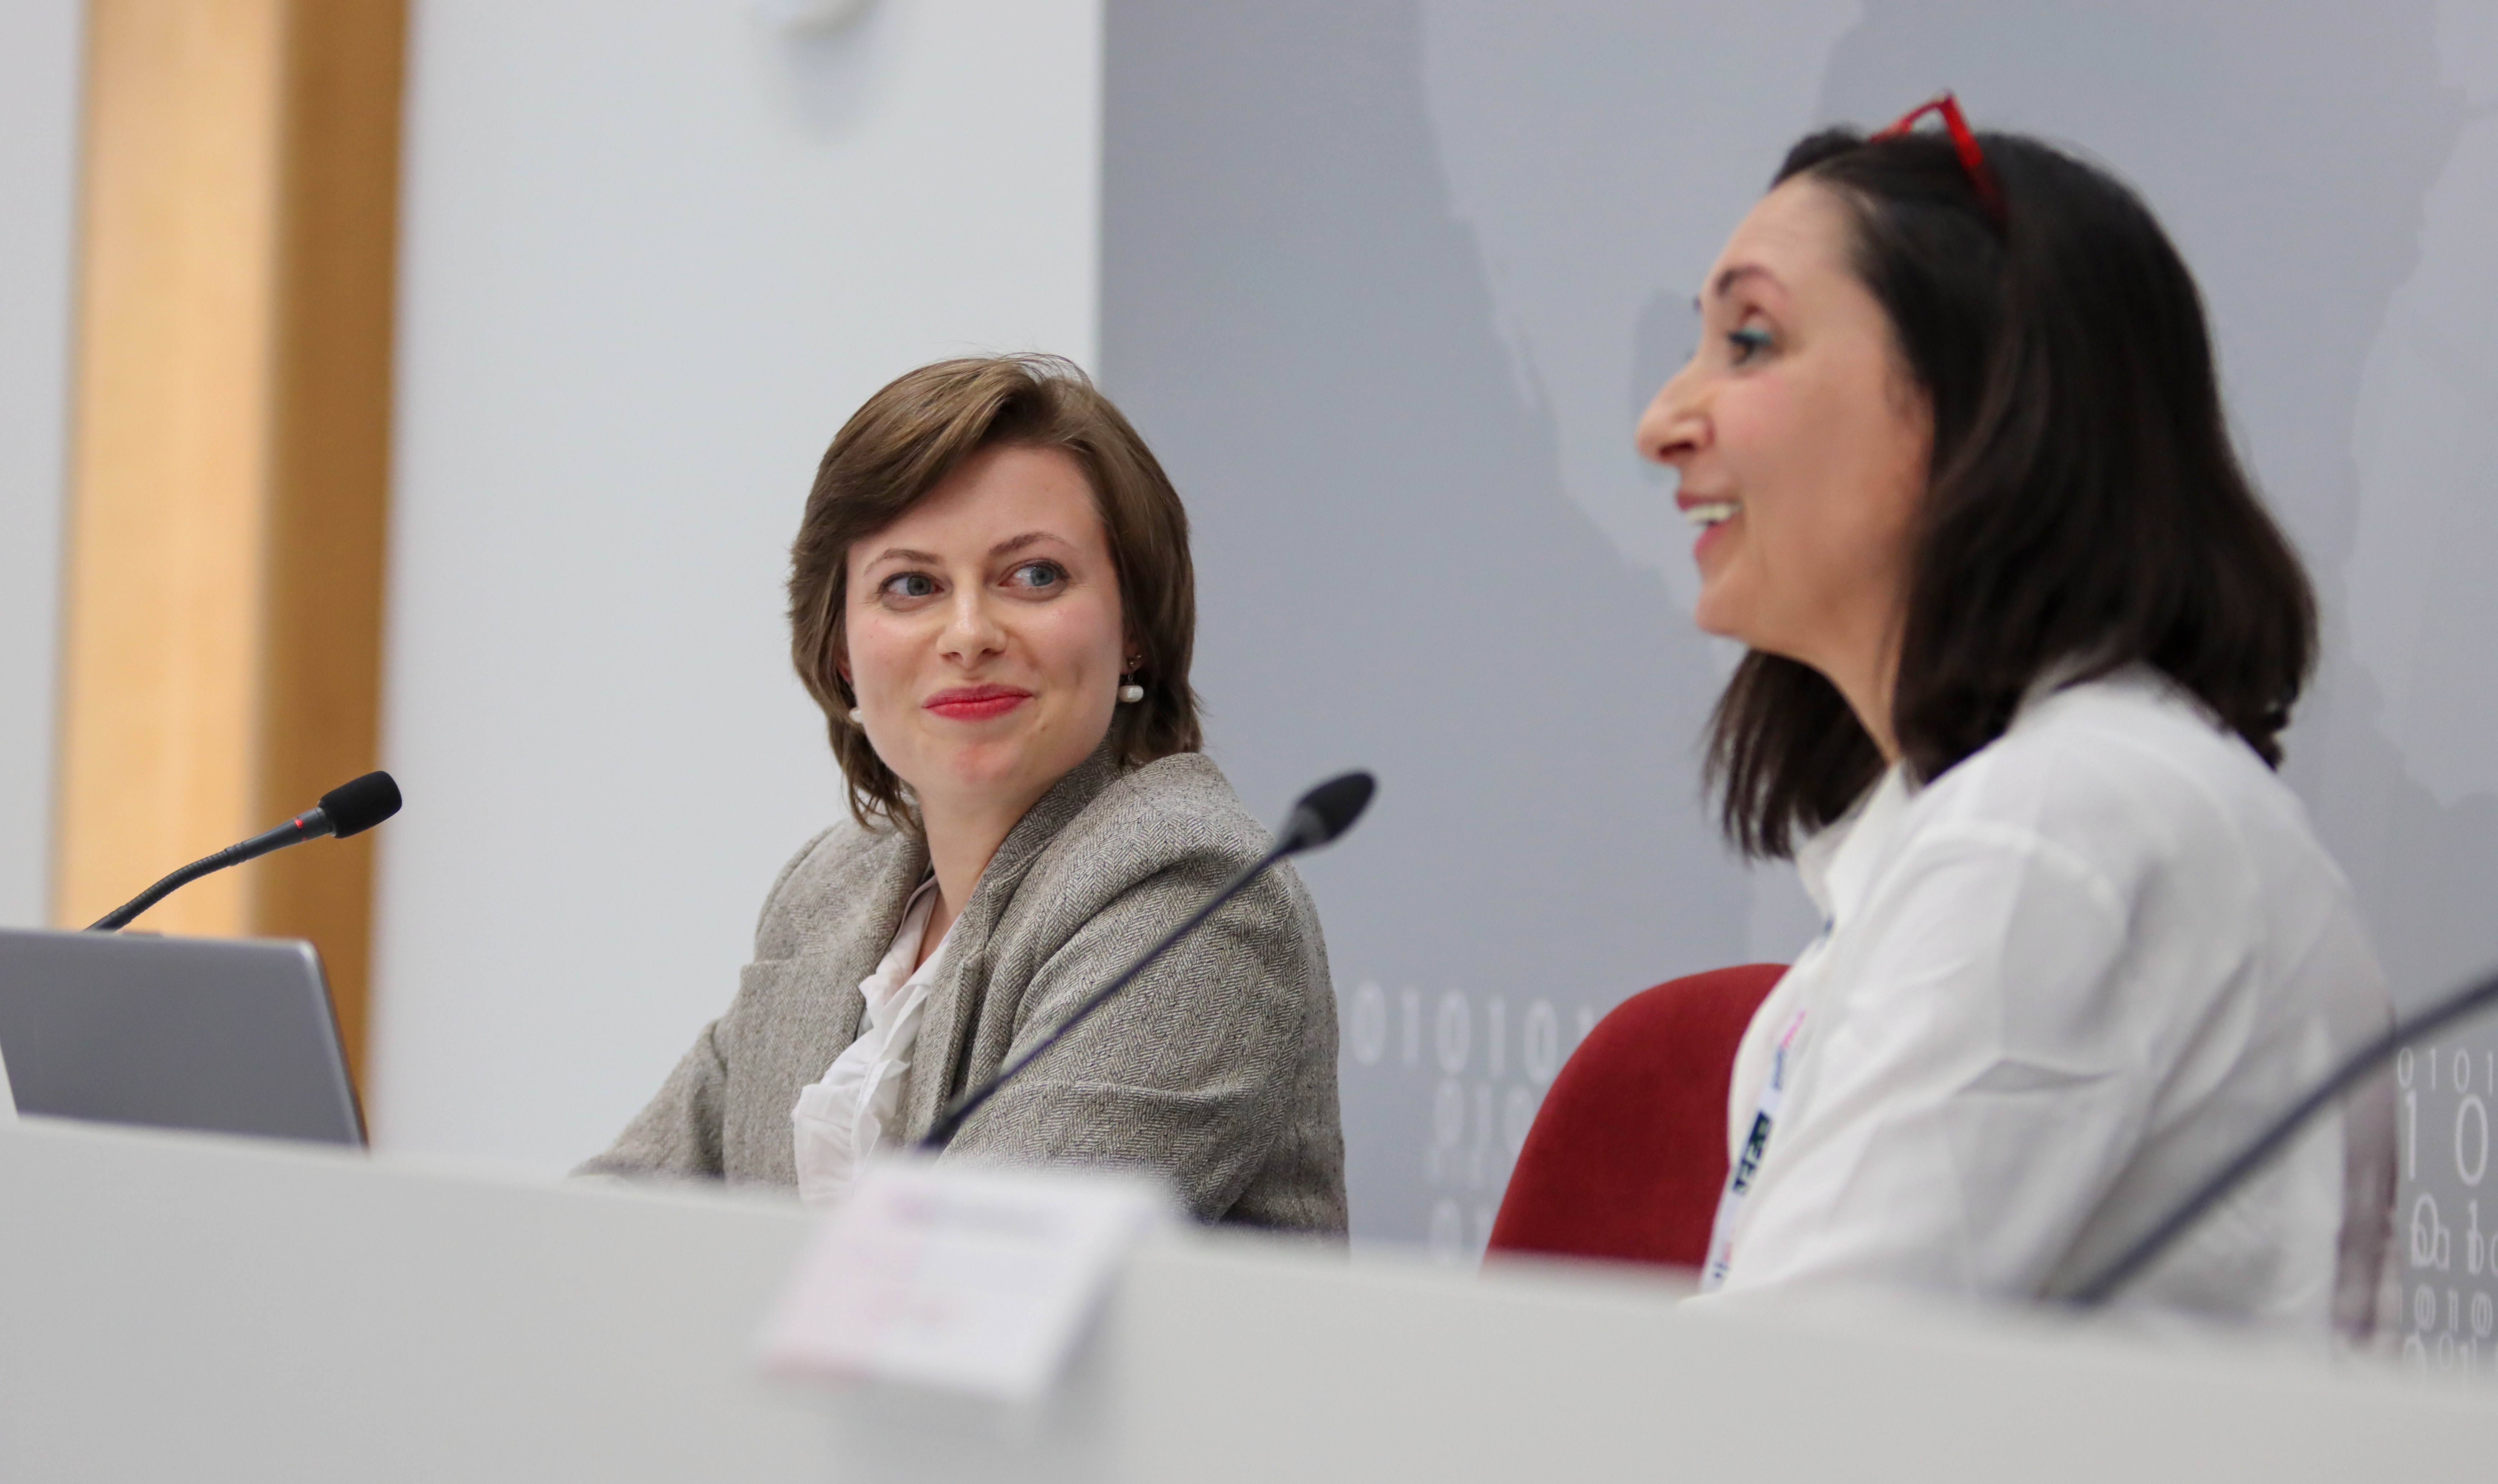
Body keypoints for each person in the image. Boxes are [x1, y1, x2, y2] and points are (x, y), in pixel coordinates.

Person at [1633, 97, 2392, 1330]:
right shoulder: (2011, 817)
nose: (1663, 421)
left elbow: (1793, 1393)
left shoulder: (2058, 826)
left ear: (1977, 398)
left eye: (1751, 342)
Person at [581, 354, 1347, 1232]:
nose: (970, 634)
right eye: (912, 586)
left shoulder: (1193, 895)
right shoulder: (828, 892)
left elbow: (972, 1274)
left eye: (1035, 576)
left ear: (1133, 625)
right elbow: (608, 1221)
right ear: (841, 652)